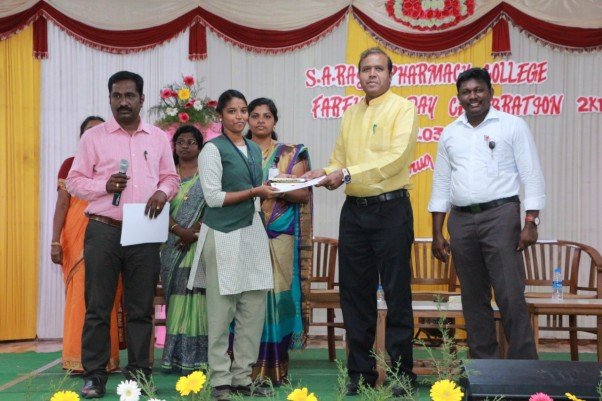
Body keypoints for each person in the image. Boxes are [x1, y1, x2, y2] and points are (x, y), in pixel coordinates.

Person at [303, 47, 418, 396]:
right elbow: (339, 159)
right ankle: (360, 373)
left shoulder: (403, 109)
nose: (372, 74)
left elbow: (396, 158)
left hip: (391, 210)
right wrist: (322, 172)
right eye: (366, 69)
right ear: (359, 75)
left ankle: (401, 374)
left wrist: (346, 173)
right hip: (354, 212)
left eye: (378, 69)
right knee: (354, 294)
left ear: (390, 73)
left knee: (396, 293)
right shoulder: (351, 113)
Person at [66, 71, 179, 399]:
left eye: (129, 96)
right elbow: (74, 181)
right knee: (98, 306)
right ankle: (95, 376)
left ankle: (140, 374)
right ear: (110, 99)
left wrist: (162, 193)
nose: (123, 102)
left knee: (140, 308)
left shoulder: (157, 138)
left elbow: (170, 177)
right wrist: (103, 185)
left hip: (144, 229)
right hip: (104, 228)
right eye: (117, 96)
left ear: (142, 99)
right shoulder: (93, 138)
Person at [428, 67, 545, 360]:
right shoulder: (450, 133)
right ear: (458, 98)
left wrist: (531, 221)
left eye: (479, 90)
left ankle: (524, 369)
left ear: (491, 92)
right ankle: (483, 369)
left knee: (510, 295)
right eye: (466, 92)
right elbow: (441, 183)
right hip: (461, 221)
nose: (473, 96)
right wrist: (437, 232)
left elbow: (531, 175)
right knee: (473, 297)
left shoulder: (512, 126)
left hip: (501, 217)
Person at [189, 89, 278, 400]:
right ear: (220, 116)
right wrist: (256, 192)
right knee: (221, 310)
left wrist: (264, 191)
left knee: (253, 308)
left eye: (243, 111)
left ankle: (242, 378)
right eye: (232, 111)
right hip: (222, 233)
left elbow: (255, 191)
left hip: (252, 231)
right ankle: (220, 380)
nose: (240, 117)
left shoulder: (253, 148)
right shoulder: (211, 150)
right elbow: (213, 198)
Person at [51, 116, 125, 373]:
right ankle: (77, 357)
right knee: (81, 296)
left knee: (107, 294)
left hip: (109, 234)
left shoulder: (116, 165)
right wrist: (55, 240)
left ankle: (106, 359)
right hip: (76, 236)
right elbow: (63, 203)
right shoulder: (71, 164)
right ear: (82, 137)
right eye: (89, 131)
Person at [246, 98, 312, 383]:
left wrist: (277, 189)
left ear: (274, 120)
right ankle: (245, 368)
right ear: (248, 120)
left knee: (276, 295)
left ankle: (275, 368)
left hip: (279, 234)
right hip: (244, 232)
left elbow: (303, 193)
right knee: (248, 297)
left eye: (267, 116)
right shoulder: (238, 152)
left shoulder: (291, 153)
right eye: (255, 115)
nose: (261, 120)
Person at [160, 125, 208, 373]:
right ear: (174, 146)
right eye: (180, 142)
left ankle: (199, 357)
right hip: (172, 243)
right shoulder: (167, 176)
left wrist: (194, 231)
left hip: (200, 243)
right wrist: (180, 231)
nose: (186, 146)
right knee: (177, 297)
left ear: (200, 146)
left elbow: (214, 206)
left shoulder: (208, 175)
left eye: (191, 142)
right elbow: (158, 208)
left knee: (199, 299)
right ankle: (174, 357)